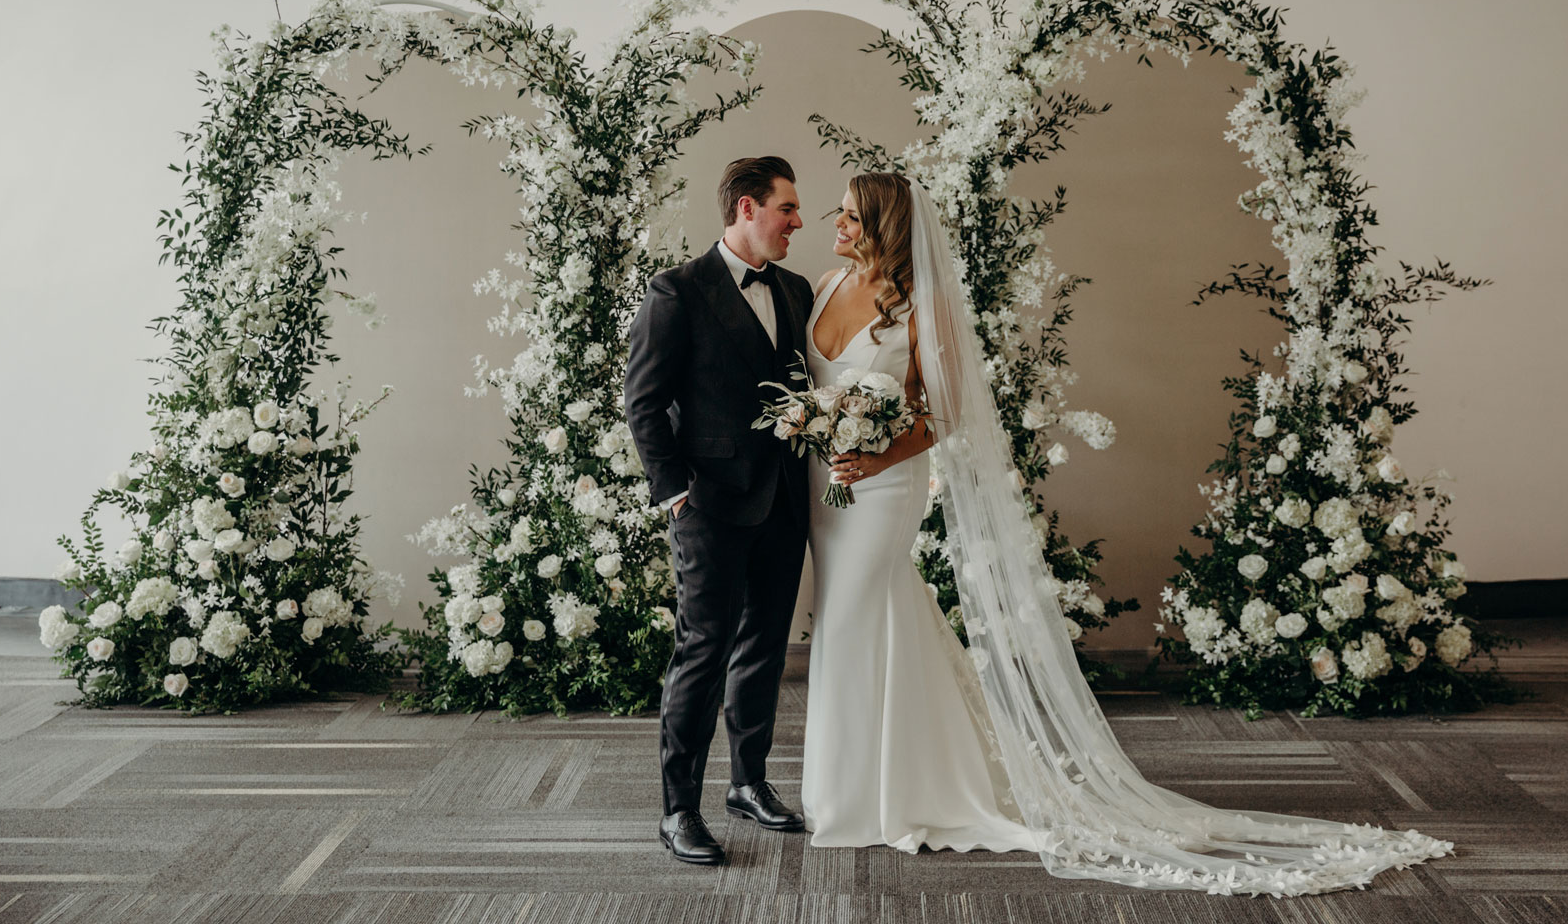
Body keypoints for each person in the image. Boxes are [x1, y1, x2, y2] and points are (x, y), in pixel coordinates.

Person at [799, 171, 1457, 896]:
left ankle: (877, 795)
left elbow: (945, 414)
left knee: (861, 611)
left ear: (887, 228)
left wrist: (875, 454)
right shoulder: (825, 286)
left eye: (854, 217)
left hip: (881, 487)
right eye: (840, 214)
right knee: (847, 619)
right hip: (824, 489)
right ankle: (874, 780)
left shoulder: (921, 308)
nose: (839, 224)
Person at [624, 156, 816, 866]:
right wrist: (674, 490)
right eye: (787, 208)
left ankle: (748, 783)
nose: (798, 222)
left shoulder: (795, 290)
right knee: (702, 653)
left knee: (764, 645)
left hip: (783, 502)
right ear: (745, 208)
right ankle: (678, 809)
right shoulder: (676, 290)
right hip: (707, 504)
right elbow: (642, 402)